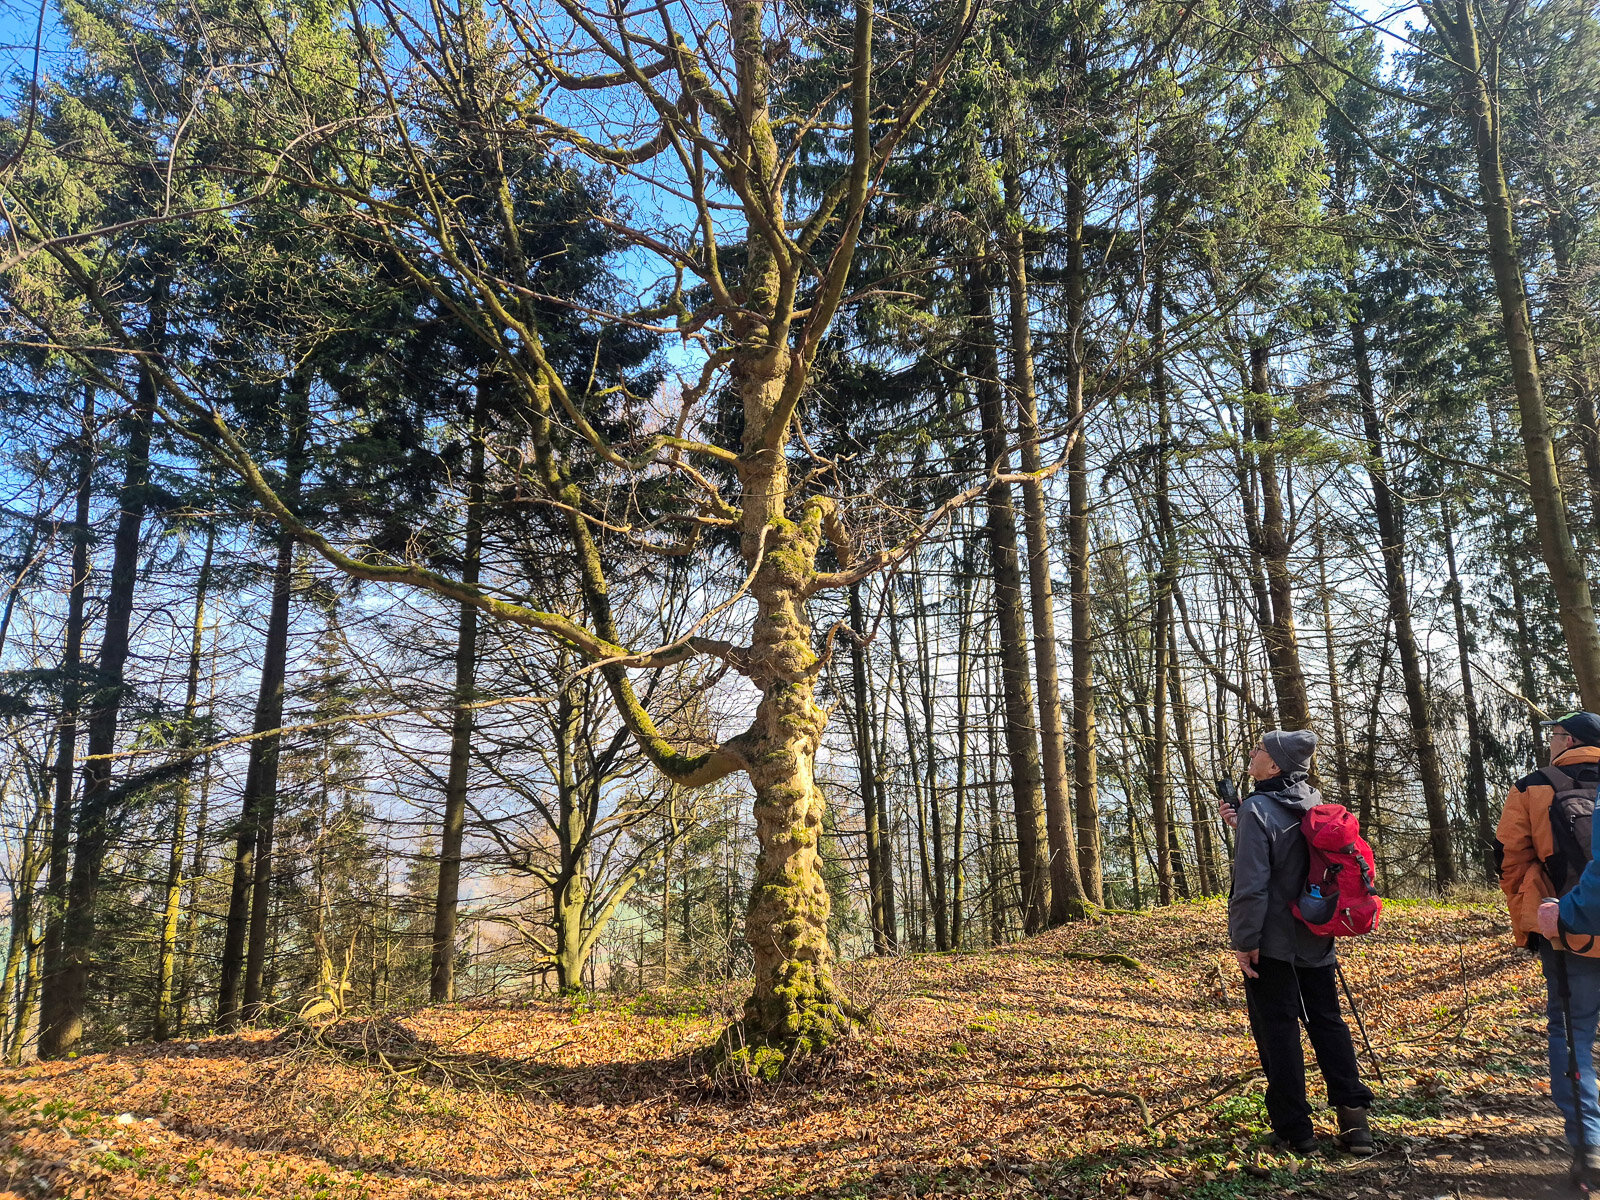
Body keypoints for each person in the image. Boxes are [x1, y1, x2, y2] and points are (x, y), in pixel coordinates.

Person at [1221, 728, 1375, 1155]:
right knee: (1328, 1023)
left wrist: (1244, 939)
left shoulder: (1257, 809)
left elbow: (1251, 885)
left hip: (1271, 942)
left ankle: (1295, 1130)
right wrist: (1244, 822)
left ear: (1274, 765)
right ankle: (1354, 1121)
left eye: (1259, 750)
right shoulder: (1313, 800)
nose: (1251, 754)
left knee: (1278, 1031)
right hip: (1316, 933)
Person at [1503, 711, 1600, 1185]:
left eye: (1554, 735)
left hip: (1567, 927)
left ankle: (1589, 1147)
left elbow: (1513, 859)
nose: (1550, 743)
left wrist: (1528, 921)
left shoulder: (1533, 787)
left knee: (1572, 1032)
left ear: (1570, 740)